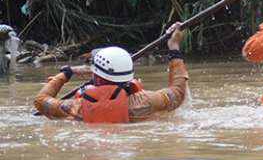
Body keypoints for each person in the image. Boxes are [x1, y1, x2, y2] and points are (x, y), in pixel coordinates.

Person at [33, 22, 188, 122]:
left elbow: (41, 101)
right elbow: (178, 92)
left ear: (97, 78)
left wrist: (66, 73)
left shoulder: (75, 108)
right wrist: (174, 48)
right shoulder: (145, 102)